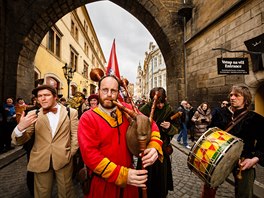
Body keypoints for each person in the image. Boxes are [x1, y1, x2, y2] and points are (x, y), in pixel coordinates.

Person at [78, 75, 163, 198]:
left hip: (130, 183)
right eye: (105, 90)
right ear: (98, 91)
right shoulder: (88, 118)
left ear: (118, 92)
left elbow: (150, 124)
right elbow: (90, 155)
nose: (109, 94)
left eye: (113, 91)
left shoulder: (127, 109)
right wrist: (122, 175)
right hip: (103, 184)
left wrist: (154, 145)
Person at [12, 85, 79, 198]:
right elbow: (20, 140)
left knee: (66, 192)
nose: (43, 98)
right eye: (40, 96)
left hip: (64, 159)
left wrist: (70, 153)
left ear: (55, 97)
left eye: (46, 95)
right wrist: (20, 128)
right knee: (42, 194)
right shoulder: (33, 114)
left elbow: (75, 135)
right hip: (41, 160)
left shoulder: (70, 112)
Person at [202, 85, 264, 198]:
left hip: (244, 161)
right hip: (218, 158)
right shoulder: (220, 113)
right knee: (208, 191)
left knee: (244, 194)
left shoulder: (255, 118)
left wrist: (254, 160)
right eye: (231, 95)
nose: (232, 98)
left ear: (246, 99)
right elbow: (210, 132)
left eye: (237, 95)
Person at [139, 87, 178, 198]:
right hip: (147, 149)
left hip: (162, 150)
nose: (160, 106)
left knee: (161, 182)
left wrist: (170, 127)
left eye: (162, 102)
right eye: (157, 103)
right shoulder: (145, 109)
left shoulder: (169, 109)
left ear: (165, 99)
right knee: (146, 179)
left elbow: (177, 127)